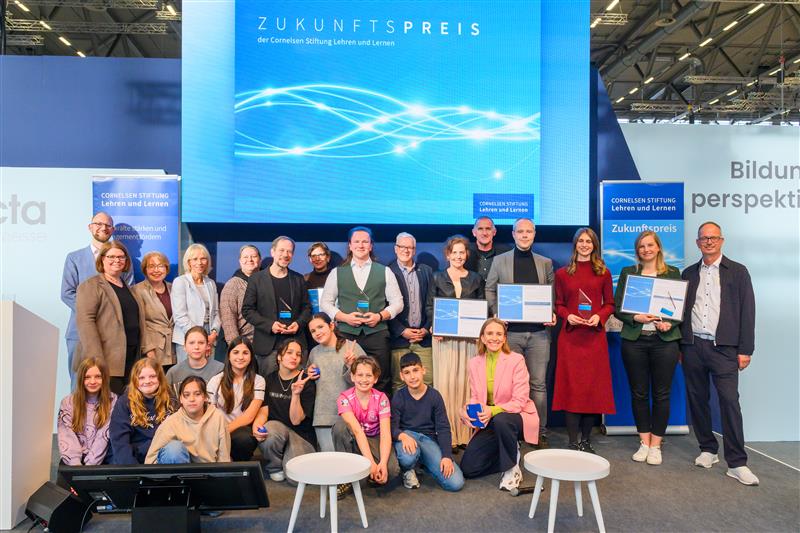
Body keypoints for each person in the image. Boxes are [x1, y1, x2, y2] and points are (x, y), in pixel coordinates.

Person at [680, 222, 758, 485]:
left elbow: (748, 312)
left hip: (724, 349)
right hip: (692, 346)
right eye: (704, 238)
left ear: (721, 240)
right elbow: (682, 311)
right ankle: (708, 449)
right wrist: (681, 344)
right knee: (697, 399)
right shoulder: (688, 273)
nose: (709, 242)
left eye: (713, 238)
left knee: (729, 402)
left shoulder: (738, 271)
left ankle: (737, 462)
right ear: (698, 243)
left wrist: (745, 349)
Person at [485, 218, 555, 447]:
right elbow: (490, 289)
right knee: (509, 386)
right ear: (513, 234)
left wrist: (551, 312)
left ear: (534, 234)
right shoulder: (499, 260)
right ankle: (513, 432)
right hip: (510, 334)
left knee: (538, 386)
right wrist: (497, 312)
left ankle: (539, 432)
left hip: (539, 335)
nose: (525, 235)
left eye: (529, 231)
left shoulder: (545, 263)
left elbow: (551, 295)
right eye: (520, 231)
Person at [613, 231, 682, 465]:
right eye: (642, 246)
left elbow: (680, 307)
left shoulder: (672, 273)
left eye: (650, 245)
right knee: (639, 393)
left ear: (658, 247)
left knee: (662, 394)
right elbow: (618, 308)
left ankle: (656, 445)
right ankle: (644, 442)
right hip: (635, 341)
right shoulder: (628, 272)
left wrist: (669, 323)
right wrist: (636, 317)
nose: (646, 250)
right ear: (637, 250)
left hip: (665, 342)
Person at [552, 228, 615, 454]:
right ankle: (572, 441)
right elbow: (558, 304)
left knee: (591, 390)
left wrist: (600, 316)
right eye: (581, 241)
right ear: (575, 244)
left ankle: (586, 441)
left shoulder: (603, 273)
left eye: (589, 241)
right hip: (570, 338)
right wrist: (567, 315)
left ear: (594, 245)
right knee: (572, 389)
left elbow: (610, 304)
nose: (585, 244)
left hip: (594, 338)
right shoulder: (562, 274)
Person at [321, 226, 404, 395]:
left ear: (371, 246)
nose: (361, 245)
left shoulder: (385, 271)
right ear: (350, 246)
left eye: (365, 242)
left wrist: (380, 316)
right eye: (357, 241)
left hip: (377, 334)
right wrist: (344, 317)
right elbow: (325, 303)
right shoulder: (337, 272)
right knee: (347, 379)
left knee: (381, 379)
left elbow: (398, 303)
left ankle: (379, 412)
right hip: (347, 334)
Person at [459, 319, 539, 492]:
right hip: (490, 420)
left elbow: (520, 400)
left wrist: (492, 410)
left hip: (516, 416)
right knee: (469, 469)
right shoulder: (474, 363)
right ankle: (508, 452)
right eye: (489, 333)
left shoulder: (516, 360)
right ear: (482, 337)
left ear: (504, 338)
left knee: (502, 420)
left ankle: (511, 468)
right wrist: (465, 410)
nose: (494, 338)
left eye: (499, 334)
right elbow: (476, 397)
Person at [426, 235, 484, 447]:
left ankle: (467, 434)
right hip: (444, 340)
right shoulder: (436, 277)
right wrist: (434, 325)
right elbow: (430, 307)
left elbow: (482, 307)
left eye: (462, 252)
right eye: (455, 252)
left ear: (467, 255)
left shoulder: (476, 278)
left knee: (467, 385)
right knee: (446, 385)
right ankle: (447, 434)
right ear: (448, 255)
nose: (458, 256)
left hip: (469, 341)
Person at [61, 212, 132, 381]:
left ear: (112, 230)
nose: (103, 228)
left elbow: (128, 292)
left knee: (112, 386)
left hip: (114, 336)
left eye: (108, 225)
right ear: (90, 227)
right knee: (81, 383)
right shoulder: (74, 258)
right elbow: (67, 293)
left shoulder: (122, 260)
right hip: (79, 333)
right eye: (98, 224)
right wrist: (94, 312)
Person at [75, 241, 147, 394]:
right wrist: (96, 361)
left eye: (121, 257)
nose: (117, 260)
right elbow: (85, 322)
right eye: (111, 257)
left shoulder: (129, 288)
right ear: (102, 259)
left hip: (131, 359)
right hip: (106, 361)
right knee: (107, 405)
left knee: (126, 404)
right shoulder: (91, 286)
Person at [392, 352, 464, 492]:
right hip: (407, 437)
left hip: (428, 441)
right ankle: (408, 469)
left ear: (423, 370)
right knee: (408, 458)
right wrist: (402, 436)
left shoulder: (434, 396)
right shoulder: (398, 397)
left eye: (415, 370)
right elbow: (392, 426)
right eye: (407, 372)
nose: (412, 376)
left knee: (456, 483)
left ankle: (424, 463)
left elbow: (443, 428)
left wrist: (446, 456)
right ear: (401, 376)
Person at [242, 236, 311, 380]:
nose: (285, 254)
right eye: (281, 250)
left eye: (289, 251)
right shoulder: (256, 279)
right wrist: (270, 325)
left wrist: (298, 324)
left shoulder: (298, 279)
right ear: (272, 252)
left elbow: (307, 309)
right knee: (268, 389)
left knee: (296, 388)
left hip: (295, 345)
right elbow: (247, 310)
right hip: (268, 347)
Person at [333, 356, 400, 497]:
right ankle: (346, 476)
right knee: (339, 427)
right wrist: (371, 463)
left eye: (369, 375)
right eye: (360, 375)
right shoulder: (344, 399)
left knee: (392, 470)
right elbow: (357, 431)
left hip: (374, 438)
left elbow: (385, 434)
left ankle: (366, 474)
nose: (364, 379)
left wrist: (382, 463)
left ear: (375, 379)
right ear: (352, 377)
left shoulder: (382, 398)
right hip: (355, 437)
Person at [252, 340, 317, 482]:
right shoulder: (269, 379)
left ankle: (287, 459)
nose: (294, 357)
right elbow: (264, 411)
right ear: (279, 357)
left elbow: (296, 420)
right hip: (278, 430)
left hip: (301, 436)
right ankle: (275, 466)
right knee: (269, 429)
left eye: (298, 354)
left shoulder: (306, 381)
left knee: (295, 479)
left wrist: (296, 394)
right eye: (289, 353)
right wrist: (256, 426)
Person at [306, 313, 365, 451]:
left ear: (331, 326)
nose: (317, 333)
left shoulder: (352, 347)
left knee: (351, 459)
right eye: (313, 331)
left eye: (320, 327)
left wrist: (351, 366)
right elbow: (309, 381)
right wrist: (308, 373)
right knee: (330, 460)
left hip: (351, 415)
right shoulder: (314, 352)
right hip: (323, 416)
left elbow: (366, 382)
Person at [145, 376, 231, 464]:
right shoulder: (171, 423)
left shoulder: (218, 417)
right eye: (186, 395)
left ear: (205, 397)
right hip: (179, 469)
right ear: (181, 399)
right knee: (174, 449)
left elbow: (224, 457)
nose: (192, 399)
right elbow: (150, 460)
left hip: (209, 469)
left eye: (197, 394)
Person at [206, 337, 266, 461]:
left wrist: (224, 432)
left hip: (241, 429)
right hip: (218, 427)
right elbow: (210, 412)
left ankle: (240, 466)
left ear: (251, 357)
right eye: (236, 352)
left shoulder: (259, 381)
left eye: (245, 353)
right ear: (229, 355)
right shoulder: (216, 380)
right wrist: (217, 432)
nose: (240, 357)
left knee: (244, 439)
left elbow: (249, 416)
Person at [388, 232, 434, 391]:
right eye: (402, 246)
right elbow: (384, 306)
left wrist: (426, 329)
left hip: (423, 338)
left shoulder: (426, 271)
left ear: (414, 250)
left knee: (427, 381)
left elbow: (431, 303)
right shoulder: (387, 272)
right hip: (399, 339)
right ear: (395, 249)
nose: (406, 250)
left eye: (410, 247)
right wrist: (402, 331)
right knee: (399, 384)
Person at [109, 358, 177, 464]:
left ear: (160, 378)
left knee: (176, 448)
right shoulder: (124, 403)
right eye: (141, 378)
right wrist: (133, 470)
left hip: (162, 455)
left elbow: (177, 433)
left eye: (152, 376)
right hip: (135, 459)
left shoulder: (171, 400)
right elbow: (119, 442)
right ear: (134, 380)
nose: (147, 381)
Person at [57, 357, 118, 465]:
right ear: (81, 379)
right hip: (74, 459)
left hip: (102, 459)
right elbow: (67, 435)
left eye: (98, 377)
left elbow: (103, 436)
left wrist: (89, 467)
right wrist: (75, 464)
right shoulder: (67, 402)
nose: (92, 381)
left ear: (104, 378)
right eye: (87, 377)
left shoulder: (113, 400)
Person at [171, 243, 221, 363]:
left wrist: (214, 334)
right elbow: (180, 316)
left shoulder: (210, 283)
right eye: (195, 259)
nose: (199, 262)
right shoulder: (180, 282)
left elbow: (216, 312)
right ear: (188, 262)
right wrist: (200, 337)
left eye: (203, 258)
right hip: (187, 336)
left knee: (208, 373)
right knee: (188, 373)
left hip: (209, 337)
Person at [132, 251, 175, 371]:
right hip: (153, 350)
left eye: (160, 266)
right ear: (145, 269)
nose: (156, 270)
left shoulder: (174, 287)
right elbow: (140, 324)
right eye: (151, 266)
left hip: (175, 348)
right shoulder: (137, 291)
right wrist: (148, 350)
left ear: (166, 269)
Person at [220, 244, 261, 345]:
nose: (250, 260)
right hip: (244, 343)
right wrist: (237, 346)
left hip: (267, 343)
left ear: (260, 260)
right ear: (240, 261)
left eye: (254, 256)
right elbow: (228, 321)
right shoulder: (232, 285)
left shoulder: (267, 282)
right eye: (245, 257)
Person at [165, 327, 224, 396]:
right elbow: (166, 399)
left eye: (201, 343)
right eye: (191, 343)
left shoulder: (220, 369)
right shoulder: (173, 373)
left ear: (207, 346)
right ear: (184, 346)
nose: (196, 347)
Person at [464, 216, 511, 282]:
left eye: (488, 229)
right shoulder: (465, 253)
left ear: (494, 232)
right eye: (480, 229)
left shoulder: (505, 253)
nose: (484, 233)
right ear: (474, 232)